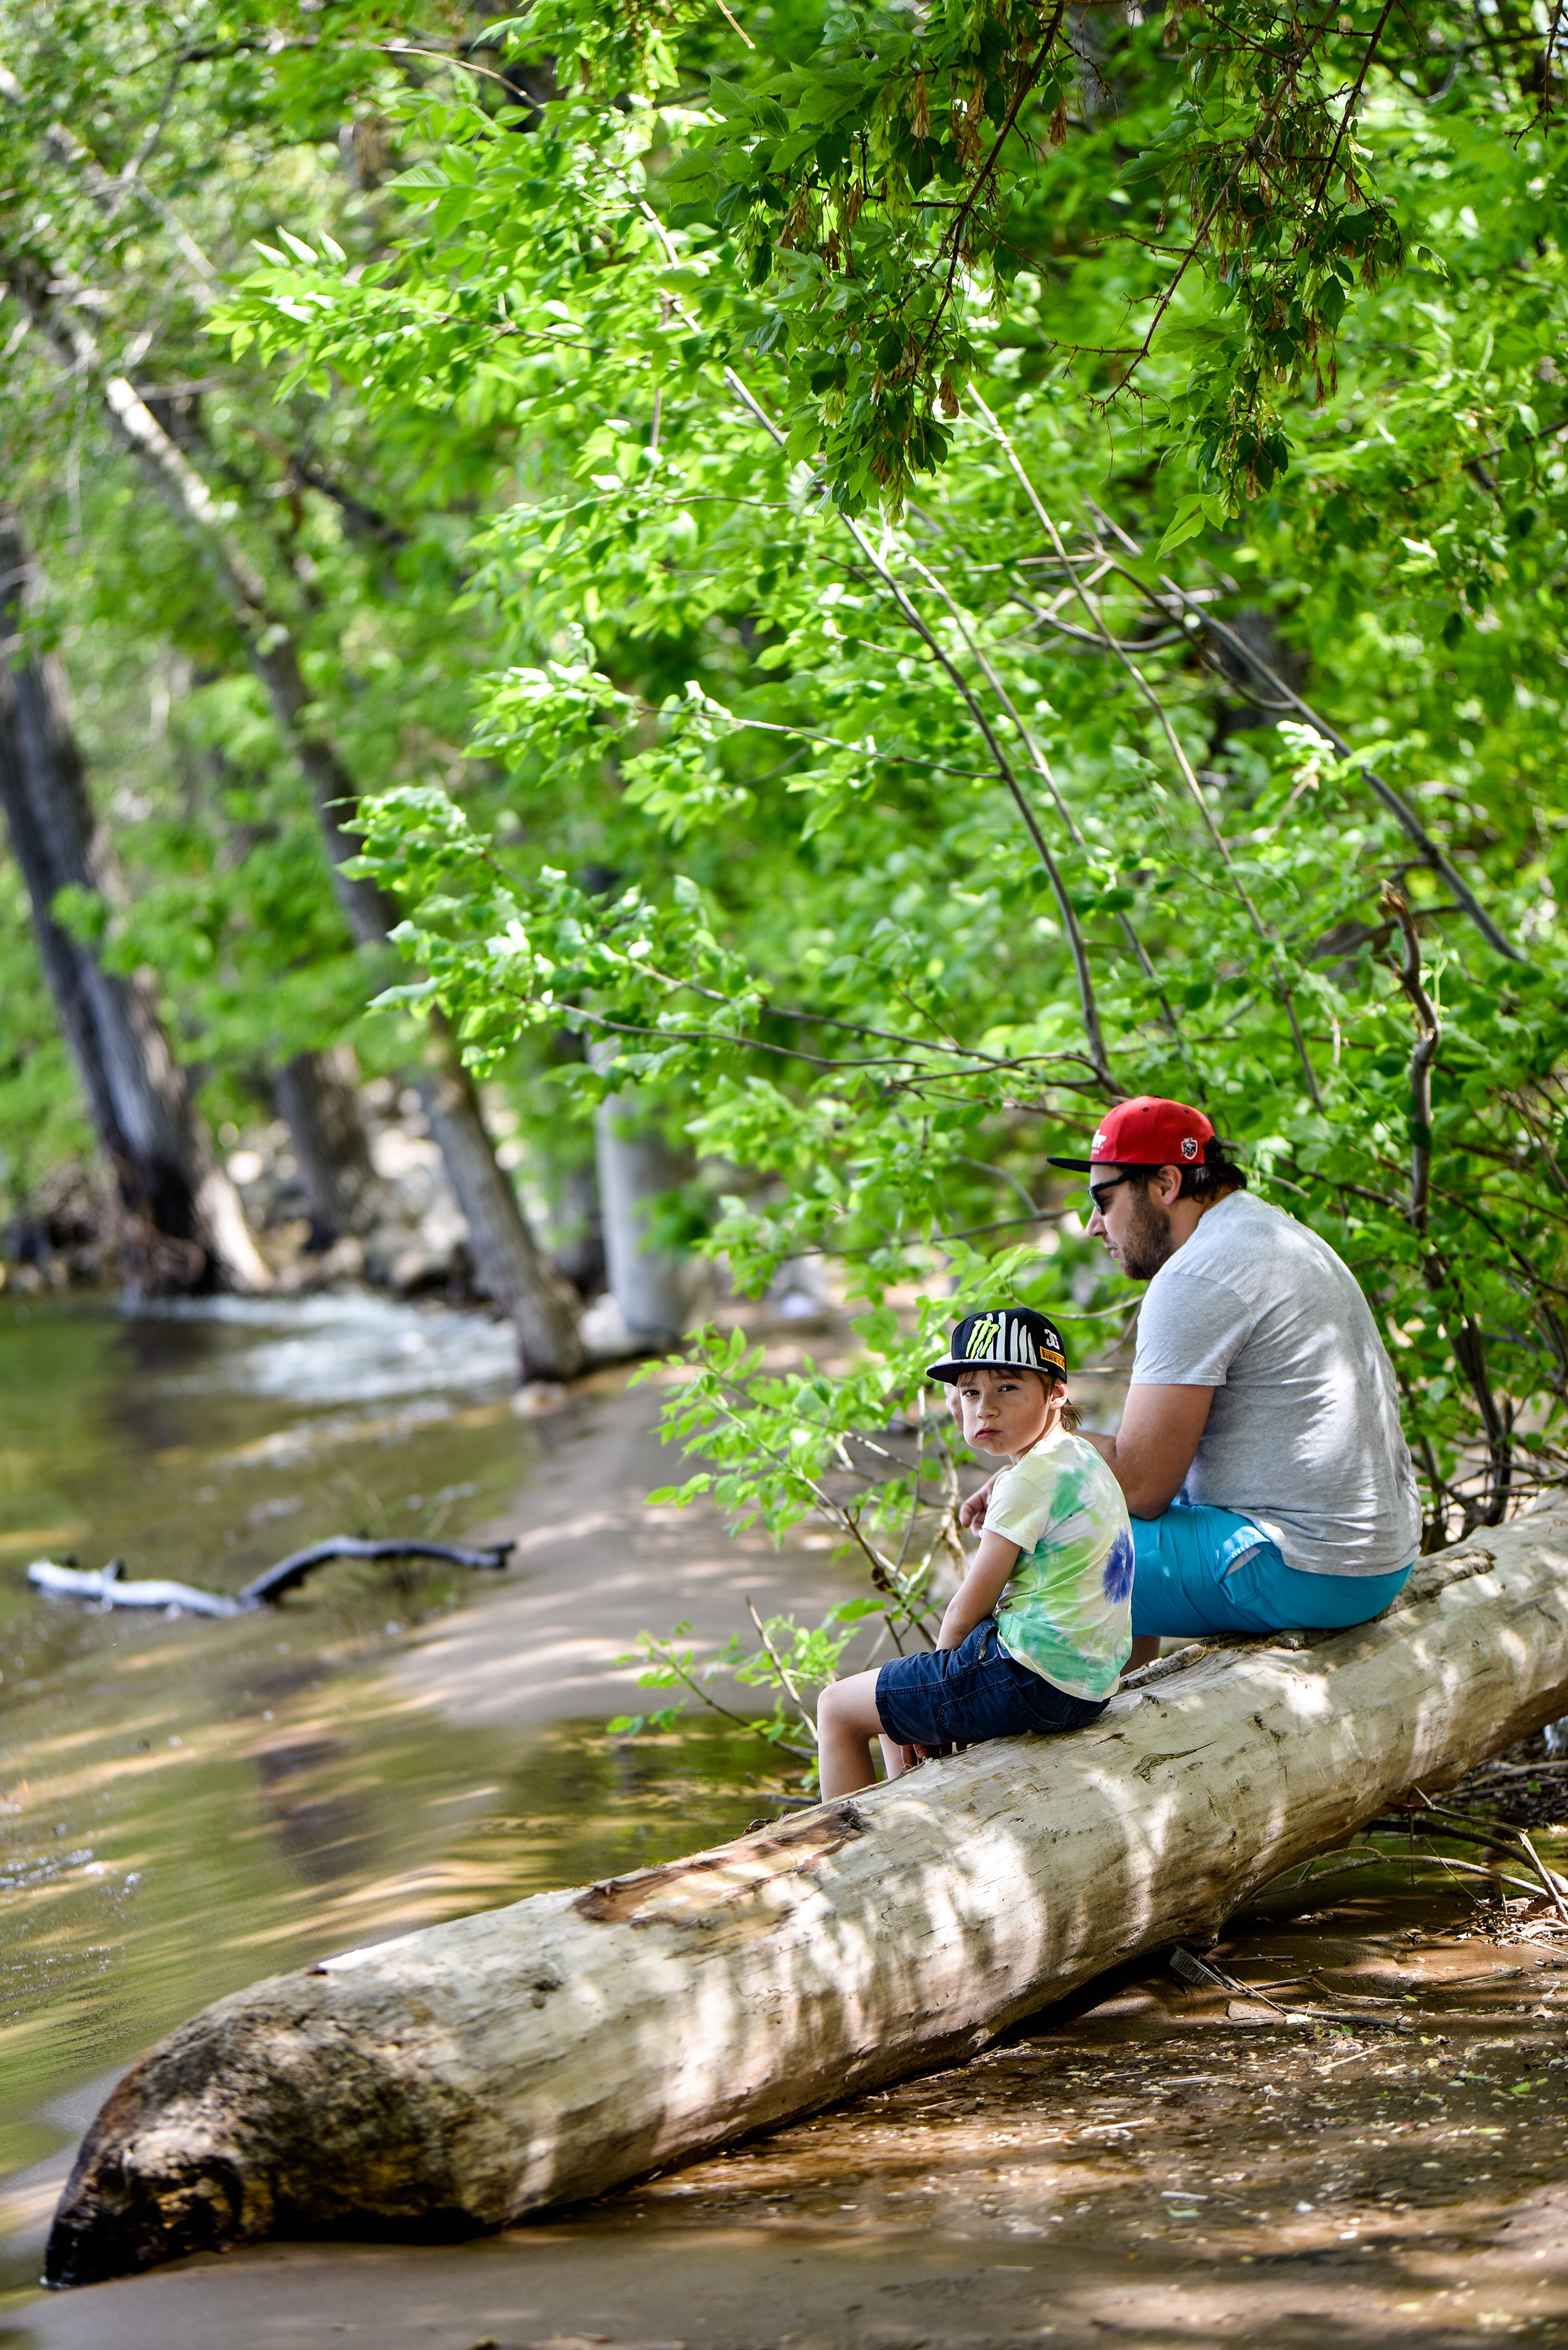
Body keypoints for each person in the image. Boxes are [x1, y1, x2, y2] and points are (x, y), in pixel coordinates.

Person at [961, 1096, 1421, 1671]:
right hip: (1375, 1558)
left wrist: (1030, 1475)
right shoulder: (1269, 1232)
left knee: (1021, 1553)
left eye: (1104, 1200)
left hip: (1309, 1568)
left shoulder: (1197, 1275)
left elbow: (1140, 1486)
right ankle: (1116, 1711)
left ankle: (961, 1723)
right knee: (1068, 1516)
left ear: (1166, 1183)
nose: (1092, 1224)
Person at [815, 1308, 1134, 1798]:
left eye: (1007, 1388)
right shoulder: (1079, 1456)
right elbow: (1035, 1477)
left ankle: (848, 1853)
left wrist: (939, 1691)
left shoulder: (1028, 1482)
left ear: (1056, 1392)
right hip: (1086, 1685)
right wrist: (1002, 1479)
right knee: (895, 1704)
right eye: (970, 1392)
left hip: (1031, 1678)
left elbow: (968, 1610)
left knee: (838, 1707)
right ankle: (914, 1815)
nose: (984, 1409)